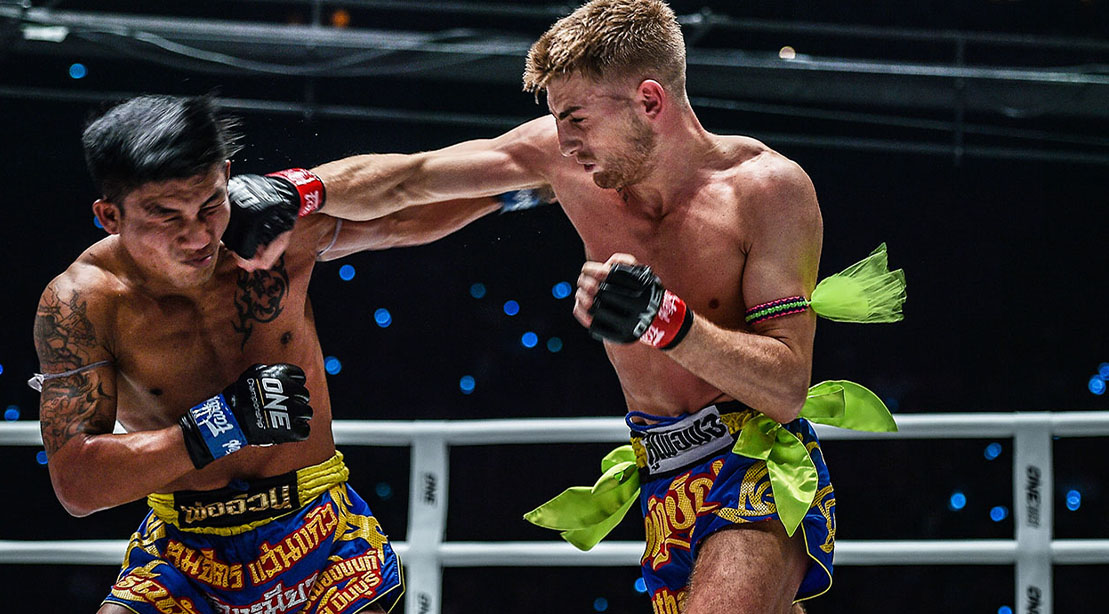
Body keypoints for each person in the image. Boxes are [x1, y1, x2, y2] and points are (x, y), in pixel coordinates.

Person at [220, 1, 898, 612]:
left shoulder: (767, 190)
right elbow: (414, 178)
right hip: (661, 473)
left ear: (650, 100)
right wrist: (296, 189)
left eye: (576, 119)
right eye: (555, 118)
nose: (564, 141)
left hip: (755, 465)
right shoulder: (562, 159)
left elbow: (786, 386)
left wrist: (670, 323)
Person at [31, 94, 533, 614]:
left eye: (210, 205)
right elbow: (77, 484)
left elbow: (400, 213)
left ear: (227, 176)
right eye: (165, 216)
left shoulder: (270, 227)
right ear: (110, 215)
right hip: (185, 553)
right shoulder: (82, 303)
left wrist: (527, 188)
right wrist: (225, 422)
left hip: (320, 533)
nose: (198, 235)